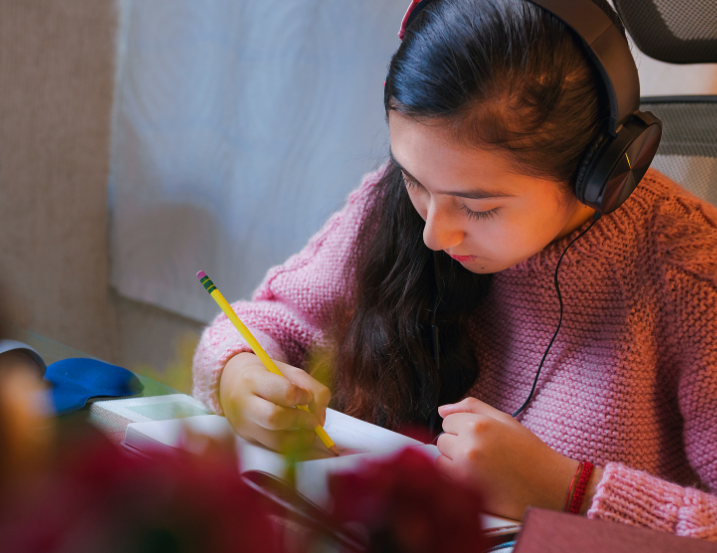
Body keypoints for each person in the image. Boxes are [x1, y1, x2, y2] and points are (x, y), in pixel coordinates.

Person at [192, 0, 717, 539]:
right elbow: (265, 322)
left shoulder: (692, 275)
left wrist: (571, 489)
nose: (433, 235)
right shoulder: (397, 202)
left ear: (598, 175)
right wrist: (239, 378)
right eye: (414, 179)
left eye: (480, 207)